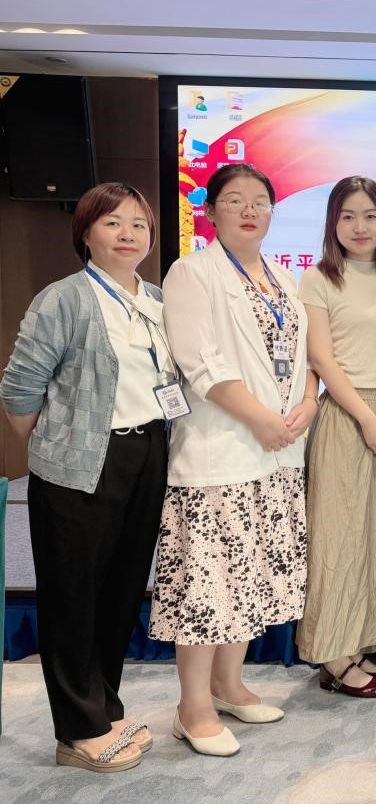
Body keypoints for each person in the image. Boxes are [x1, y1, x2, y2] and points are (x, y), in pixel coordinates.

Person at [1, 183, 173, 772]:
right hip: (78, 464)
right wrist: (56, 443)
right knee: (73, 595)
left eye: (138, 224)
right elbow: (20, 387)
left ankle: (106, 708)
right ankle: (77, 730)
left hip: (146, 453)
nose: (128, 234)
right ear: (86, 233)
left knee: (120, 591)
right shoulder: (64, 298)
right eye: (113, 223)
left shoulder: (154, 298)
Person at [148, 163, 318, 757]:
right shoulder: (191, 272)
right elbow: (199, 361)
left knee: (249, 577)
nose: (249, 210)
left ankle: (229, 685)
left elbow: (305, 359)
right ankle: (191, 707)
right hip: (220, 452)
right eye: (235, 200)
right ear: (210, 211)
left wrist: (307, 404)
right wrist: (261, 418)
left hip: (277, 454)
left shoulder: (284, 278)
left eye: (260, 201)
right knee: (208, 582)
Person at [296, 176, 376, 698]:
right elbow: (321, 359)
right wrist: (368, 420)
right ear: (333, 223)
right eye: (348, 216)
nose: (360, 226)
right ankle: (334, 654)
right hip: (348, 418)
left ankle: (362, 644)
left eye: (370, 215)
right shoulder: (318, 279)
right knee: (340, 537)